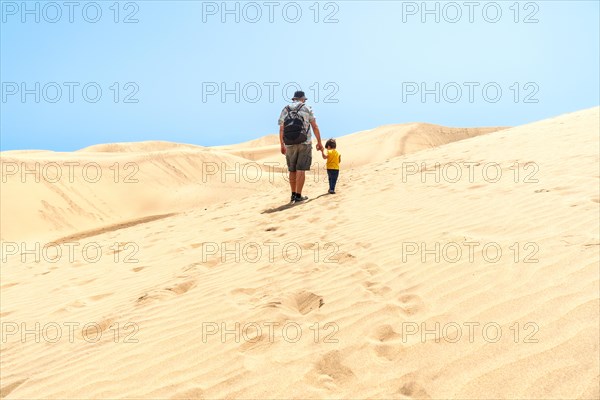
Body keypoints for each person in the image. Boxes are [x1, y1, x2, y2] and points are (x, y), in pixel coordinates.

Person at [278, 90, 323, 203]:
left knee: (292, 170)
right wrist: (319, 142)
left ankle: (293, 195)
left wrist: (282, 144)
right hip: (305, 142)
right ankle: (298, 196)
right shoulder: (307, 108)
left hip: (289, 143)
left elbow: (281, 128)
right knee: (300, 169)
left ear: (294, 99)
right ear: (302, 99)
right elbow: (315, 126)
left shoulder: (285, 109)